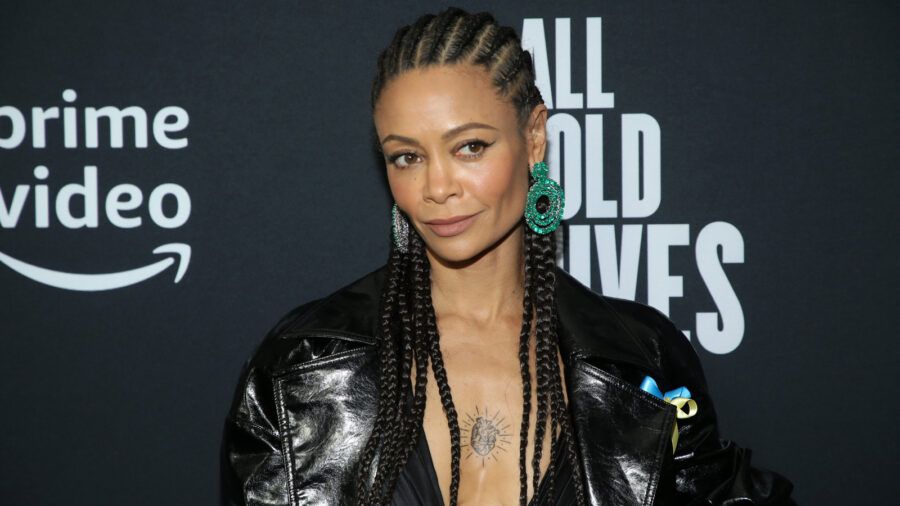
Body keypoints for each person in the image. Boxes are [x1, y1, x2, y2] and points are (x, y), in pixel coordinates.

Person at [221, 7, 795, 506]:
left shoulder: (639, 359)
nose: (437, 187)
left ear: (534, 138)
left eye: (470, 147)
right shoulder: (302, 364)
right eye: (406, 157)